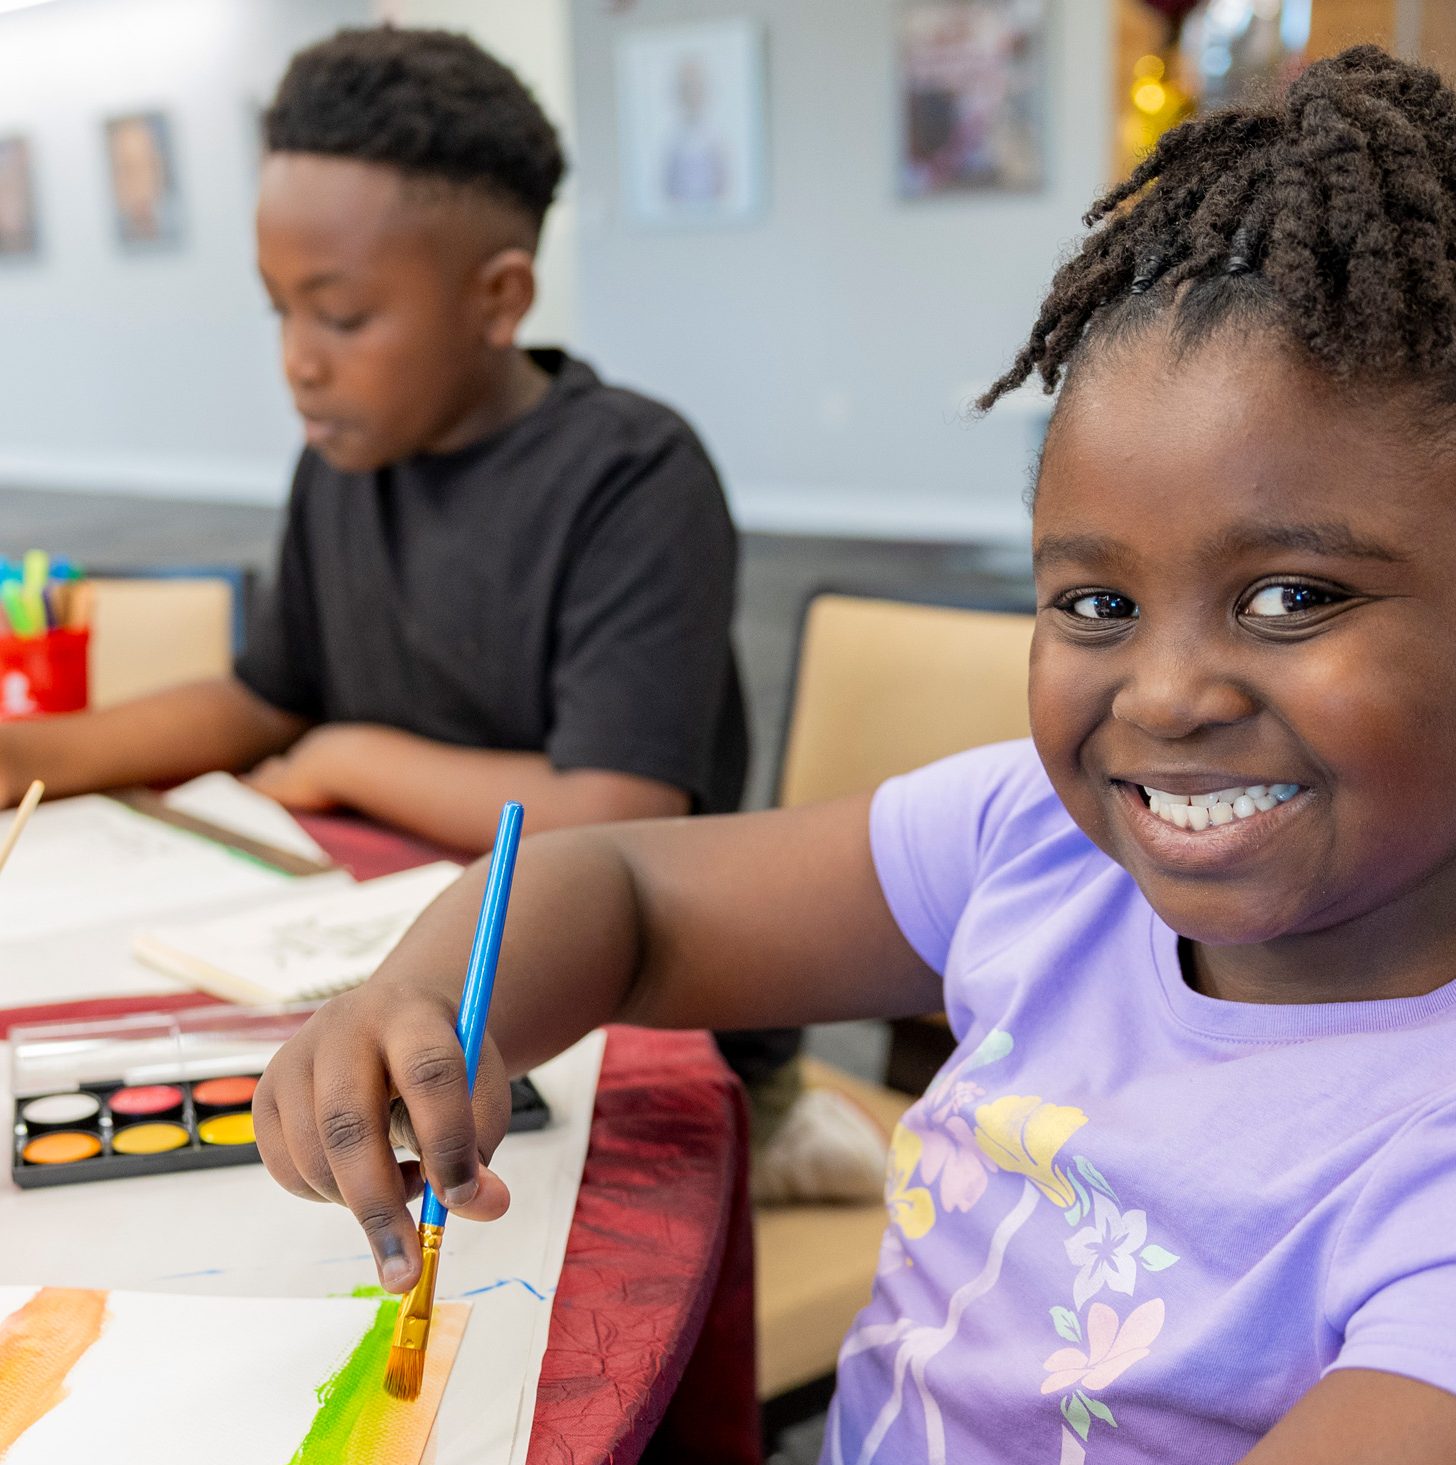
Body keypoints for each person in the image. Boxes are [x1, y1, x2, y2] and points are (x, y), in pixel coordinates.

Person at [0, 50, 1456, 1465]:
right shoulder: (1055, 842)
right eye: (1092, 602)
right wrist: (427, 983)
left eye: (1296, 597)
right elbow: (631, 889)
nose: (1171, 694)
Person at [0, 25, 872, 1194]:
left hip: (631, 1008)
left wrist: (351, 756)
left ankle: (785, 1134)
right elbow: (267, 695)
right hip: (391, 947)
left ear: (498, 296)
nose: (299, 362)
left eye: (343, 317)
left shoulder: (634, 476)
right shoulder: (342, 463)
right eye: (280, 313)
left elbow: (608, 813)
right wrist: (29, 754)